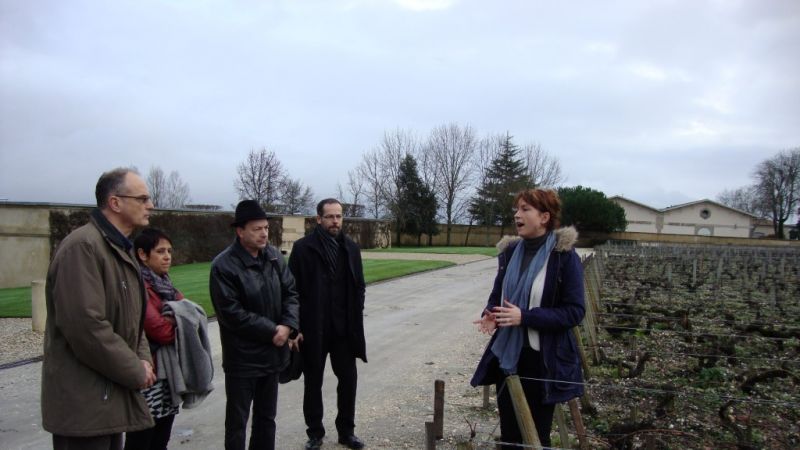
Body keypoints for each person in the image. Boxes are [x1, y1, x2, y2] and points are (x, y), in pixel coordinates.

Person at [42, 168, 157, 450]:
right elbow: (86, 327)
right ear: (115, 202)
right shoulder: (82, 248)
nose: (150, 205)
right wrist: (134, 369)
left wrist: (143, 359)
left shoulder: (118, 248)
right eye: (142, 198)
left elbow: (133, 317)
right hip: (85, 404)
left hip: (108, 396)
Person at [470, 188, 585, 448]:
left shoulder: (563, 256)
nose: (516, 214)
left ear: (544, 217)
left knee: (536, 436)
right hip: (507, 357)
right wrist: (491, 315)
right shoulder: (510, 253)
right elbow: (497, 296)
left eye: (525, 209)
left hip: (541, 360)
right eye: (517, 209)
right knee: (510, 437)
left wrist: (526, 317)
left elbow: (575, 311)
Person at [210, 200, 300, 450]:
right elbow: (232, 313)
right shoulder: (224, 266)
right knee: (237, 423)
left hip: (271, 357)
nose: (263, 233)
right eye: (257, 228)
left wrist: (288, 324)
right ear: (240, 231)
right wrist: (274, 331)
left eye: (266, 228)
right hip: (243, 360)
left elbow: (291, 292)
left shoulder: (273, 257)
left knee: (266, 419)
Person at [288, 198, 367, 450]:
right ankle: (315, 433)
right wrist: (295, 327)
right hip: (314, 329)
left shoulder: (351, 248)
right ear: (318, 219)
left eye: (339, 216)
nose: (335, 221)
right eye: (330, 216)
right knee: (313, 383)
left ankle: (347, 432)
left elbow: (359, 286)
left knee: (348, 380)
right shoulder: (303, 249)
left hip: (344, 329)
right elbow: (291, 291)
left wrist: (356, 312)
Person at [126, 227, 213, 450]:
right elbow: (161, 330)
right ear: (142, 255)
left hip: (168, 375)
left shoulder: (165, 284)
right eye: (160, 251)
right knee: (142, 438)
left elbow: (190, 318)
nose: (167, 257)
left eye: (169, 251)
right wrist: (178, 320)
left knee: (161, 438)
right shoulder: (138, 286)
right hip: (149, 373)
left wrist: (178, 318)